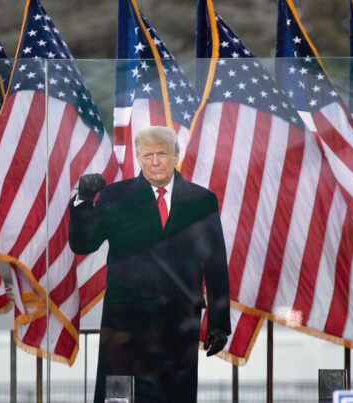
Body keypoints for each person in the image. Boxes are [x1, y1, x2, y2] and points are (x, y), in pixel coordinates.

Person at [68, 126, 231, 403]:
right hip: (125, 326)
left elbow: (215, 263)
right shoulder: (116, 197)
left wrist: (219, 322)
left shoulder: (202, 201)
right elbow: (83, 244)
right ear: (138, 157)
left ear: (176, 155)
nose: (154, 161)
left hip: (178, 324)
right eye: (147, 155)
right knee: (120, 397)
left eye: (162, 154)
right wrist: (83, 201)